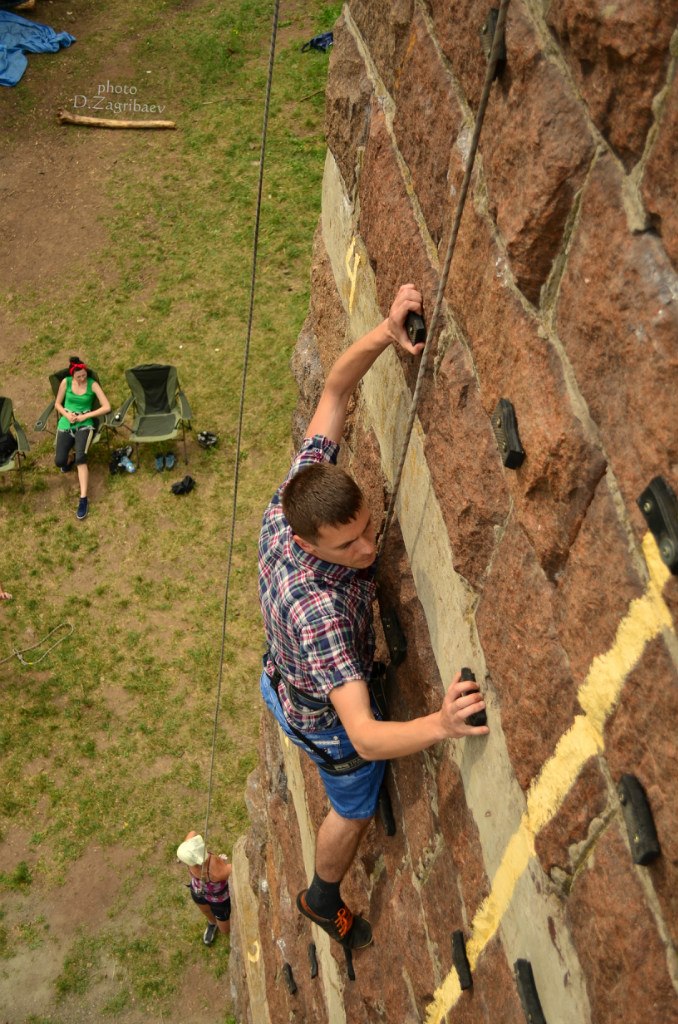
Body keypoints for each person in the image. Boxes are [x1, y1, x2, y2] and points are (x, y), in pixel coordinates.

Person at [258, 283, 490, 951]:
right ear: (308, 543)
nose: (367, 549)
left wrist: (386, 334)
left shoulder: (294, 502)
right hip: (326, 725)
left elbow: (333, 391)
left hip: (283, 679)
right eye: (349, 546)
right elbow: (363, 735)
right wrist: (442, 724)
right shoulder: (323, 612)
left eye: (366, 531)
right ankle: (321, 894)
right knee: (353, 804)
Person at [54, 357, 111, 521]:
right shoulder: (65, 382)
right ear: (73, 375)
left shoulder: (92, 384)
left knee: (81, 458)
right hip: (66, 422)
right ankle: (68, 458)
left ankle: (83, 499)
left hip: (85, 424)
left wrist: (86, 415)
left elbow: (106, 406)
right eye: (79, 377)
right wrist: (67, 414)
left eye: (84, 375)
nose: (82, 379)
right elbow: (57, 403)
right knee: (60, 462)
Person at [176, 831, 233, 947]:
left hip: (218, 900)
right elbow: (192, 833)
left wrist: (222, 863)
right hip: (198, 891)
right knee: (206, 911)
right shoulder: (191, 851)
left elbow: (235, 868)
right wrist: (194, 846)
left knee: (225, 930)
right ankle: (212, 923)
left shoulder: (216, 872)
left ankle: (230, 928)